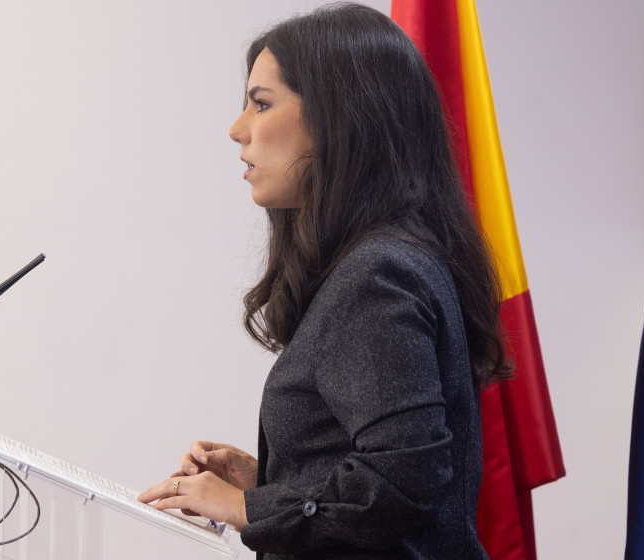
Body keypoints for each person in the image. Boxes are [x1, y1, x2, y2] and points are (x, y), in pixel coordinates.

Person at [137, 4, 512, 558]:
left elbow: (407, 478)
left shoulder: (375, 274)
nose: (236, 129)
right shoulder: (392, 256)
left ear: (341, 119)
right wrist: (270, 481)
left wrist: (246, 509)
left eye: (261, 103)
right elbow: (386, 471)